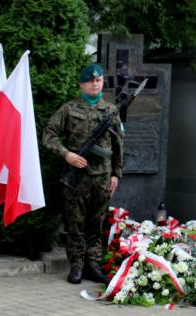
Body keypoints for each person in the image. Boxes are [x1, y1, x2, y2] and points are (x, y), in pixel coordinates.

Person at [42, 64, 123, 285]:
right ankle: (76, 265)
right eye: (90, 81)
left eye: (98, 80)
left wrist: (116, 174)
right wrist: (67, 154)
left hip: (102, 177)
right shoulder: (68, 109)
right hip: (76, 177)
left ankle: (93, 264)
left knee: (96, 223)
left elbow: (118, 146)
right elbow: (48, 135)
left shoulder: (111, 111)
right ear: (81, 84)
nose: (95, 84)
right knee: (75, 223)